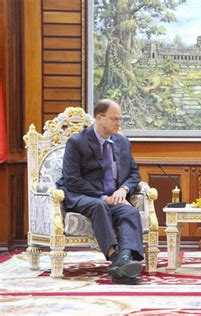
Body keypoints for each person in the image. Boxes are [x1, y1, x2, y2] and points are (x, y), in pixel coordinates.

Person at [56, 99, 144, 285]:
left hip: (114, 195)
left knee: (129, 211)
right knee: (99, 205)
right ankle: (116, 259)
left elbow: (134, 173)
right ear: (99, 118)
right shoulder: (77, 142)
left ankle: (125, 259)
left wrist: (123, 189)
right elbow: (72, 179)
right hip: (82, 196)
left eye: (120, 119)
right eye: (114, 119)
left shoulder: (122, 141)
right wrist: (103, 197)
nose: (119, 123)